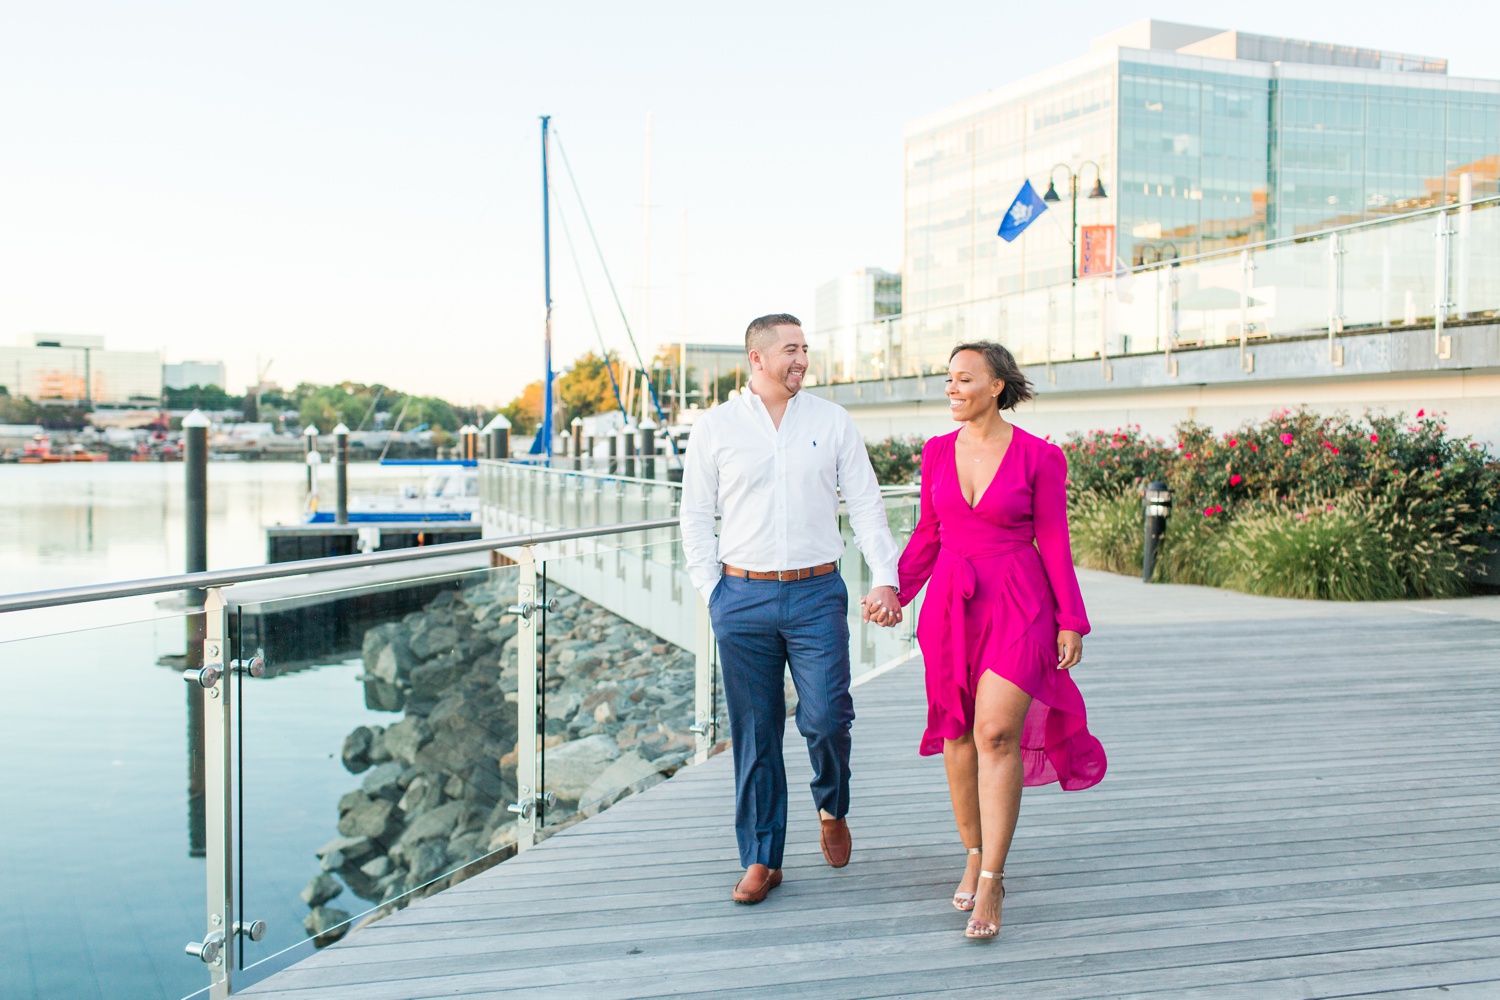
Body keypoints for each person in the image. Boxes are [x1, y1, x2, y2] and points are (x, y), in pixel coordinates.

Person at [871, 340, 1106, 940]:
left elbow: (1054, 540)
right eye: (948, 379)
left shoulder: (1039, 457)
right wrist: (894, 588)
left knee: (994, 732)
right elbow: (929, 532)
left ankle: (994, 878)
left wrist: (1071, 619)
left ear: (996, 386)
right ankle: (972, 851)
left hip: (1019, 601)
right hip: (951, 605)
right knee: (956, 736)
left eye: (964, 379)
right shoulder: (935, 453)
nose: (951, 388)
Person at [680, 313, 903, 904]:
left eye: (805, 348)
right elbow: (695, 517)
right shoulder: (717, 427)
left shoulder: (831, 421)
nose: (801, 359)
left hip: (814, 594)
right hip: (741, 596)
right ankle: (762, 858)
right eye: (789, 350)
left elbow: (867, 506)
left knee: (827, 716)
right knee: (755, 734)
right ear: (756, 358)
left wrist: (886, 578)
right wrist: (714, 594)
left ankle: (832, 805)